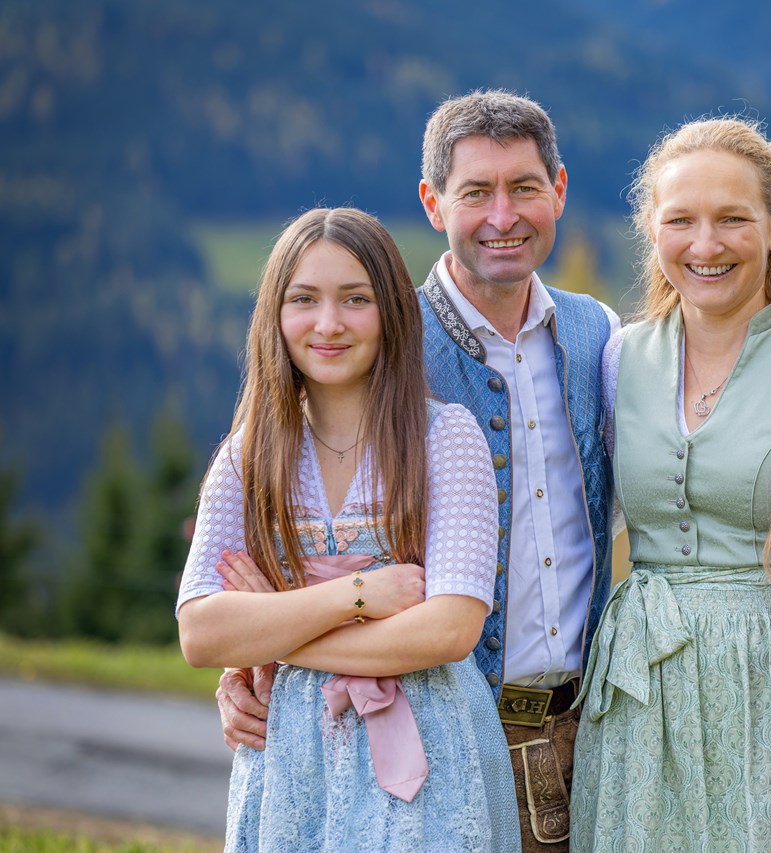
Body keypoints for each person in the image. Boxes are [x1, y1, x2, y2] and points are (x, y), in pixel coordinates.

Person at [217, 91, 617, 851]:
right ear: (433, 202)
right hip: (438, 725)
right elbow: (285, 491)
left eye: (525, 187)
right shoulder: (380, 341)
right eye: (475, 192)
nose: (504, 215)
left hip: (583, 727)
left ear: (558, 190)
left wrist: (274, 644)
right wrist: (244, 662)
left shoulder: (598, 334)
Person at [176, 207, 519, 850]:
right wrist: (353, 599)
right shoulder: (249, 456)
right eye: (303, 299)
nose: (328, 324)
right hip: (291, 757)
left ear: (390, 311)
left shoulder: (444, 439)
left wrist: (274, 630)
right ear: (275, 317)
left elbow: (449, 628)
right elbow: (200, 631)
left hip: (430, 747)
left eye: (355, 299)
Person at [569, 117, 771, 851]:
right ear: (652, 228)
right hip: (641, 676)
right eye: (681, 220)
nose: (706, 244)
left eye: (732, 219)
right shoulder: (619, 357)